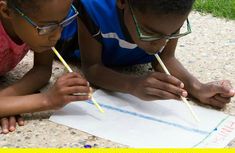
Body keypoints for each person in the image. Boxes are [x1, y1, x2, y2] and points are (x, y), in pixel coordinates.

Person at [57, 0, 234, 109]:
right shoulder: (93, 10)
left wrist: (197, 87)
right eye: (149, 33)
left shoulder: (170, 16)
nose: (161, 43)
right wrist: (132, 84)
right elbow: (92, 68)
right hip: (71, 44)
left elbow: (166, 59)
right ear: (122, 2)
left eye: (171, 34)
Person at [0, 0, 92, 134]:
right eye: (47, 27)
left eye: (64, 22)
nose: (57, 35)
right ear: (6, 11)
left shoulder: (41, 21)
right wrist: (47, 100)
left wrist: (9, 103)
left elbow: (42, 68)